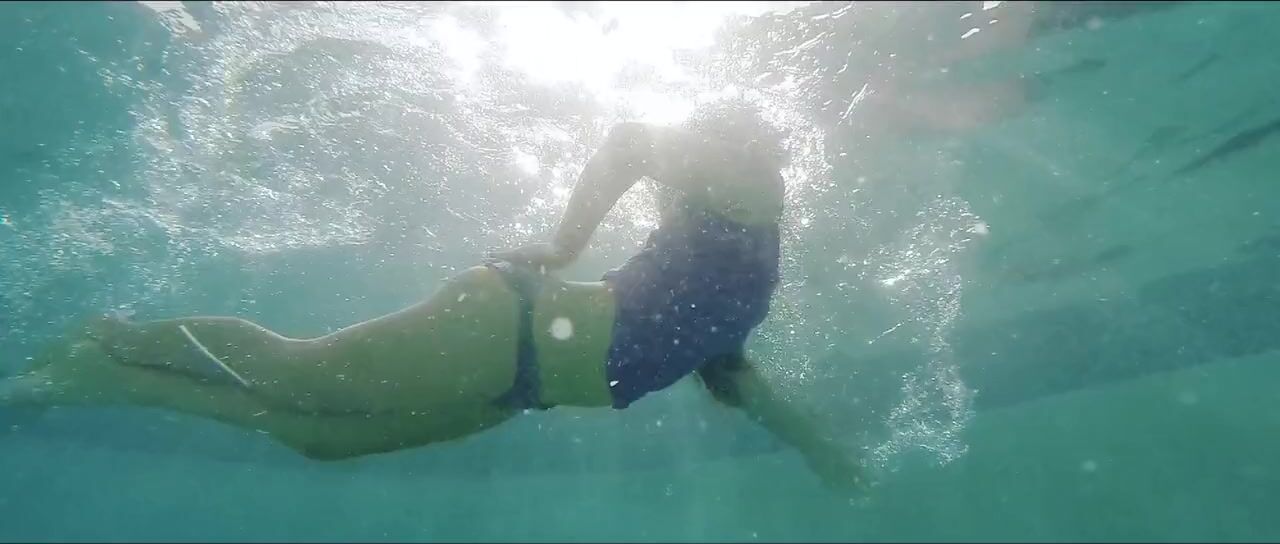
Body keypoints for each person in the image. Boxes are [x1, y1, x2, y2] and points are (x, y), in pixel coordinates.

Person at [2, 101, 866, 492]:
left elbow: (730, 376)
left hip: (519, 384)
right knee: (300, 375)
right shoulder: (752, 188)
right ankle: (113, 335)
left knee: (318, 439)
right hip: (514, 327)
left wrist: (824, 454)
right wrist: (565, 246)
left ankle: (102, 376)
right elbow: (632, 140)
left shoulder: (743, 274)